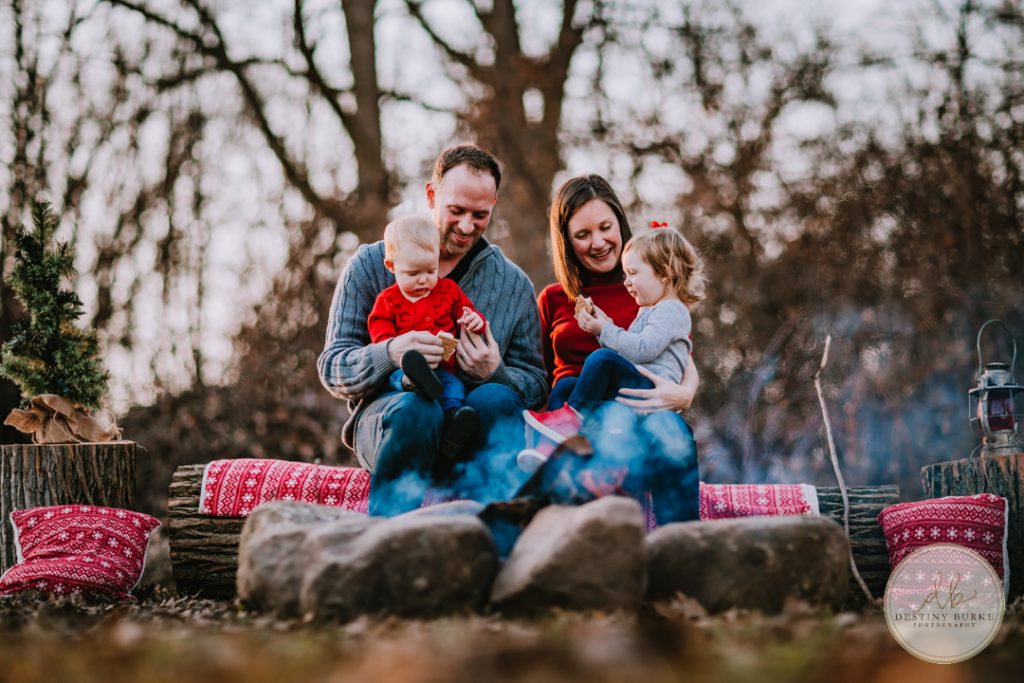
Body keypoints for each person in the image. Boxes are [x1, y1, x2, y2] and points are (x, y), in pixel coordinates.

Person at [318, 145, 547, 516]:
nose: (467, 226)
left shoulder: (513, 285)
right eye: (456, 211)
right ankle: (389, 547)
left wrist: (495, 372)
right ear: (431, 195)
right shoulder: (371, 265)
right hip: (392, 419)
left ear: (494, 204)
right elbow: (333, 367)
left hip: (470, 428)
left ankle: (495, 538)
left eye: (480, 214)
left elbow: (537, 384)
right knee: (416, 409)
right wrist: (390, 353)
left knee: (499, 399)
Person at [523, 174, 702, 524]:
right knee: (563, 387)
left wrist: (686, 395)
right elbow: (540, 375)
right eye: (583, 235)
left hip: (636, 409)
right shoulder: (554, 298)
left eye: (606, 227)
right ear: (567, 242)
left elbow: (682, 358)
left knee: (672, 434)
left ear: (620, 222)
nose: (599, 242)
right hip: (576, 412)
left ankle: (681, 547)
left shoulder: (649, 286)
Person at [521, 226, 706, 466]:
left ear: (664, 274)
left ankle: (568, 427)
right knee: (566, 385)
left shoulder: (671, 310)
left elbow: (641, 349)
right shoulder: (650, 309)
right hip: (635, 385)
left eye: (633, 273)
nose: (627, 282)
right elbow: (627, 350)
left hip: (650, 392)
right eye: (625, 274)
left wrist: (604, 330)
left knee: (602, 359)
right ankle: (550, 449)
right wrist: (604, 325)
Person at [368, 215, 486, 465]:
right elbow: (381, 336)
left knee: (453, 389)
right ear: (392, 266)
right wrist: (394, 349)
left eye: (431, 271)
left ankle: (455, 419)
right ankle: (413, 379)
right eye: (413, 273)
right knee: (398, 376)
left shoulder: (449, 291)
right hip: (401, 368)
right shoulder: (388, 300)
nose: (423, 280)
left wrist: (475, 320)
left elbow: (467, 311)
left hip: (443, 369)